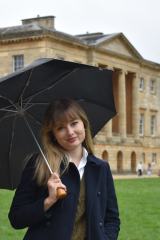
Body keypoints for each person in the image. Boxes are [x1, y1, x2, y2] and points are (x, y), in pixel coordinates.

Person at [8, 99, 120, 240]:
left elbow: (112, 218)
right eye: (60, 128)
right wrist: (48, 201)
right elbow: (16, 218)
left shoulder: (100, 168)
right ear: (53, 134)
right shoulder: (39, 165)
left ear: (83, 123)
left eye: (74, 123)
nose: (70, 132)